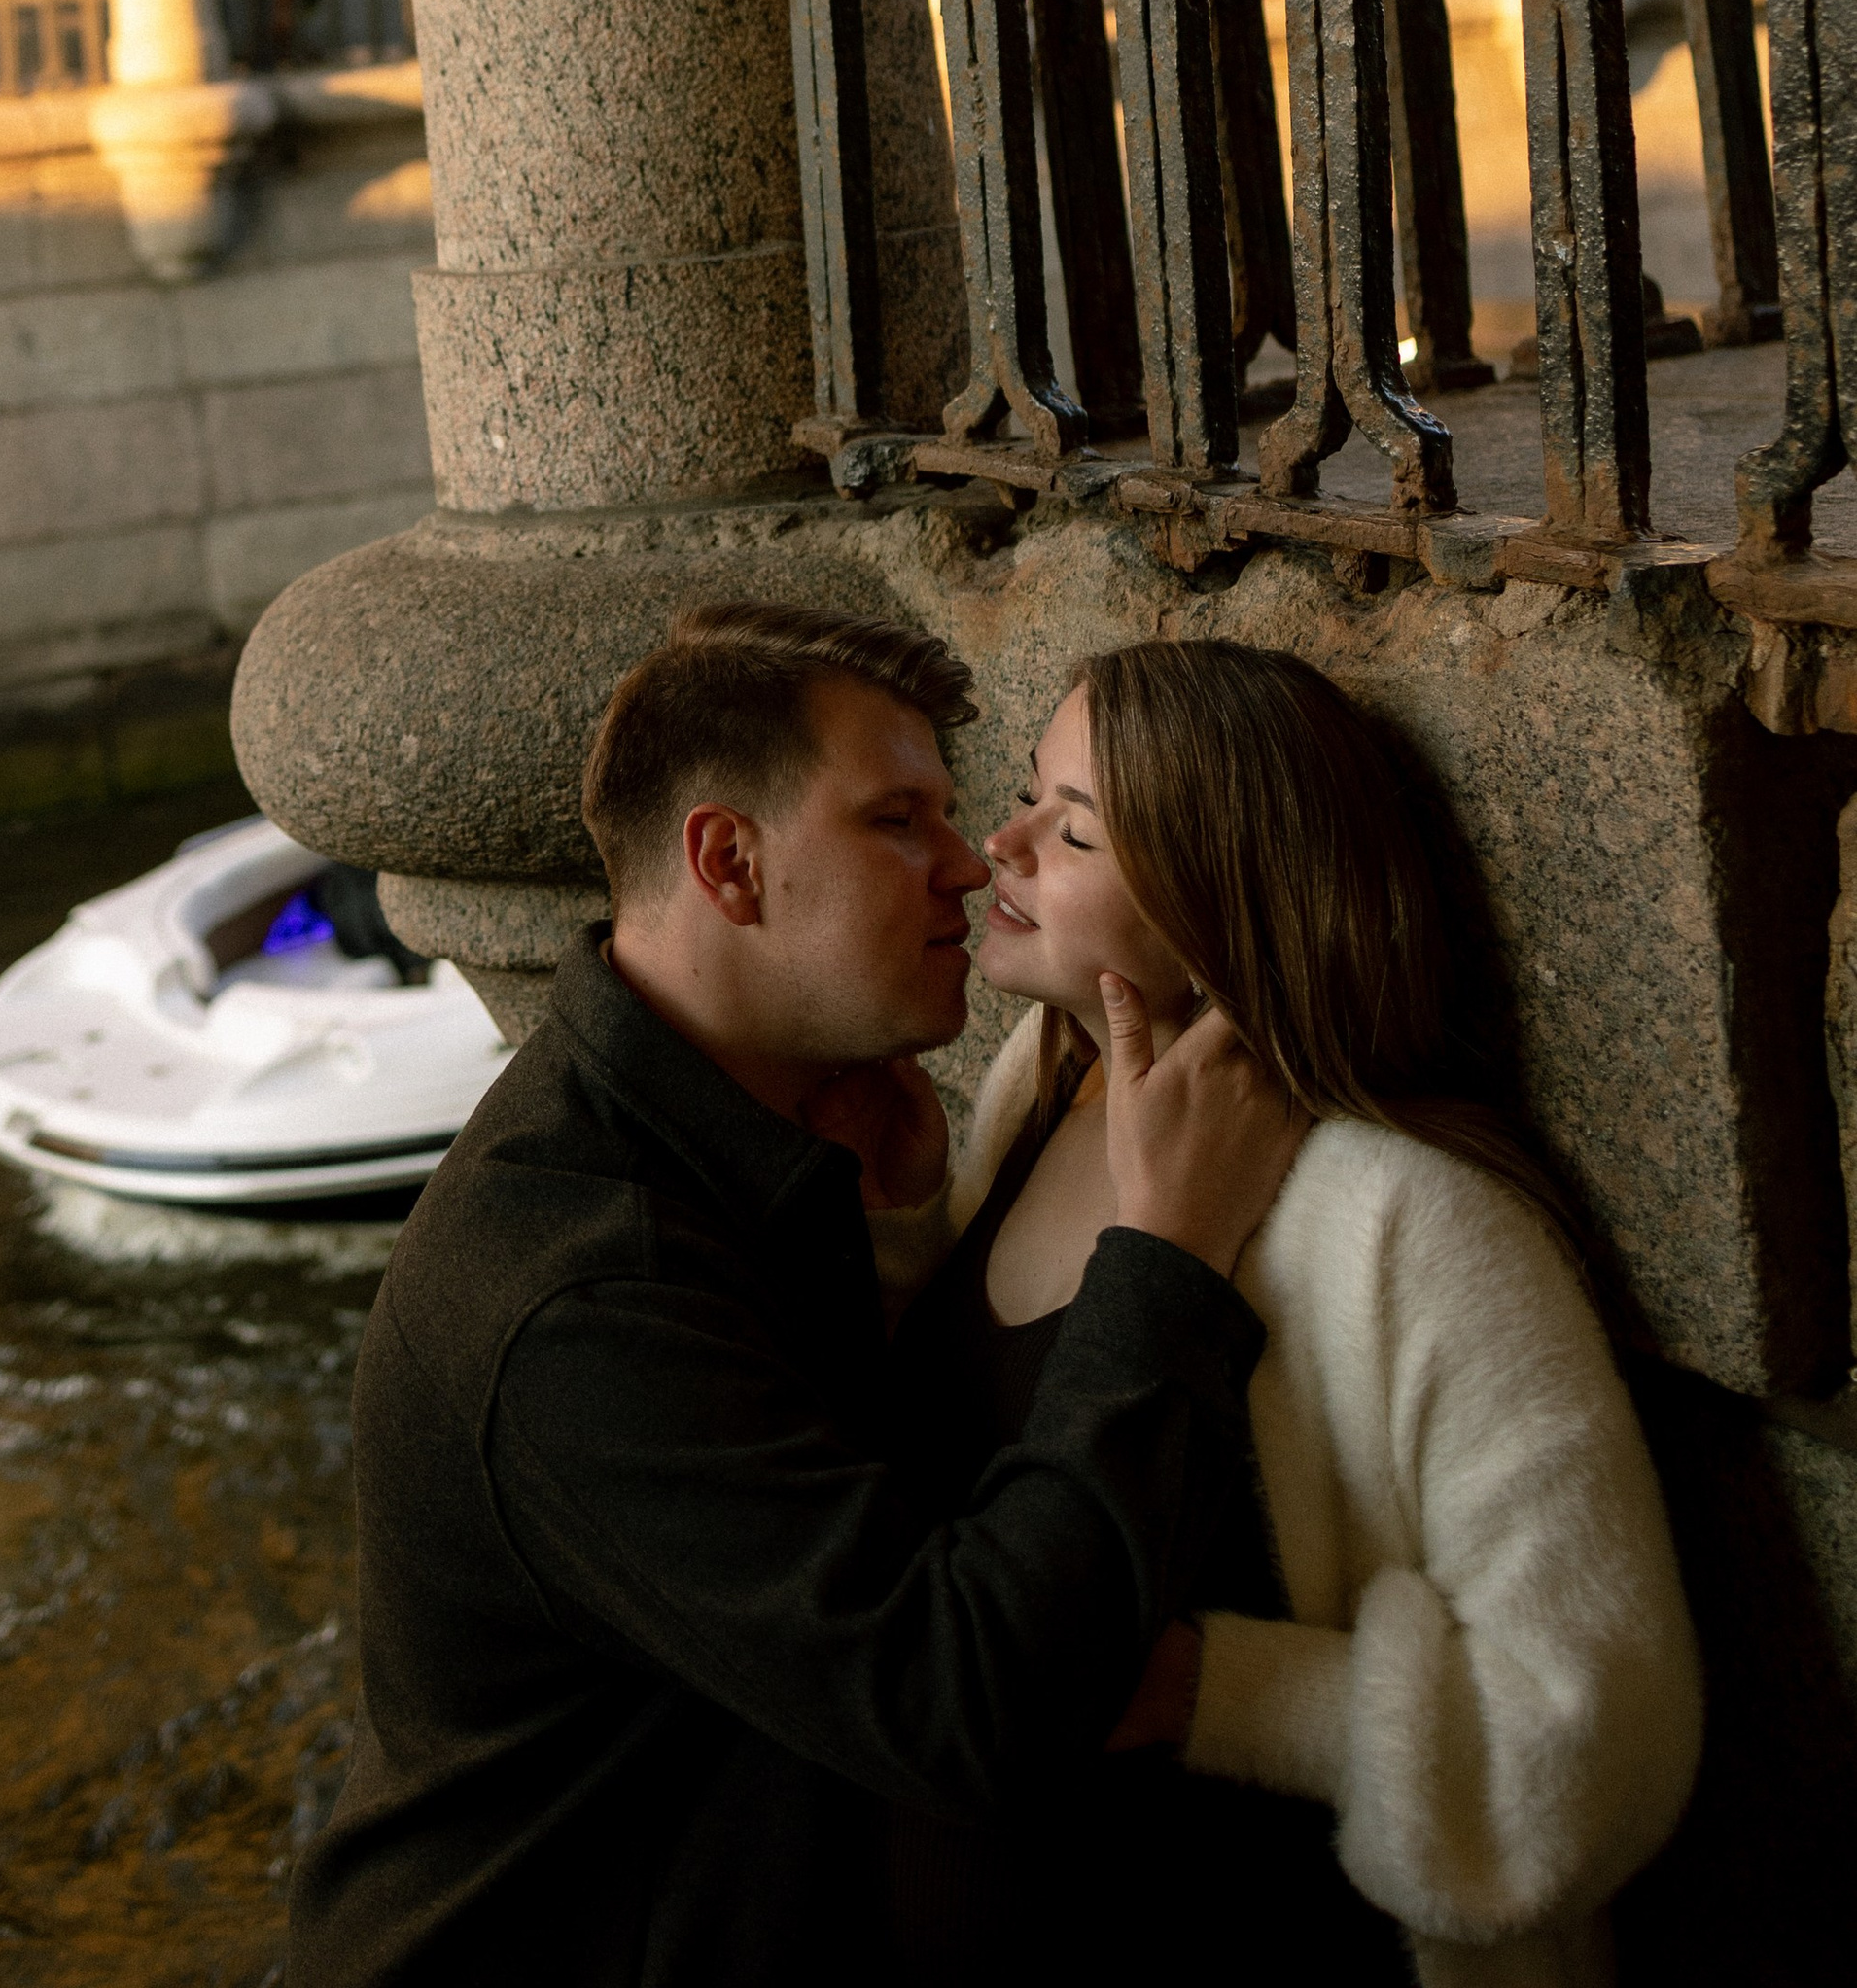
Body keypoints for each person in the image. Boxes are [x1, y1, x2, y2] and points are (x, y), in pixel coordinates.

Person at [285, 599, 1307, 1987]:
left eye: (960, 811)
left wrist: (888, 1247)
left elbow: (833, 1521)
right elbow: (972, 1706)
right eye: (897, 821)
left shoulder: (742, 1128)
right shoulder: (579, 1294)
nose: (964, 866)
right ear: (730, 862)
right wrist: (1171, 1254)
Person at [883, 637, 1702, 1986]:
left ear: (1219, 906)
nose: (1000, 845)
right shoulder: (1038, 1086)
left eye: (1072, 828)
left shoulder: (1408, 1223)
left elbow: (1596, 1737)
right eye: (1031, 792)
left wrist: (1217, 1692)